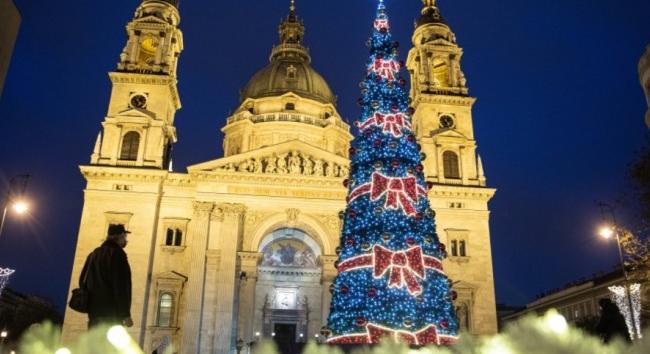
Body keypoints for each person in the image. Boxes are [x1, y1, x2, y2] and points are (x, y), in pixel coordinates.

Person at [80, 224, 133, 329]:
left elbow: (82, 281)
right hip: (111, 314)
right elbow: (120, 286)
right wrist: (125, 314)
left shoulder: (93, 254)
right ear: (121, 235)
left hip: (94, 314)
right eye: (125, 237)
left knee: (94, 344)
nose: (126, 240)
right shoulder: (117, 254)